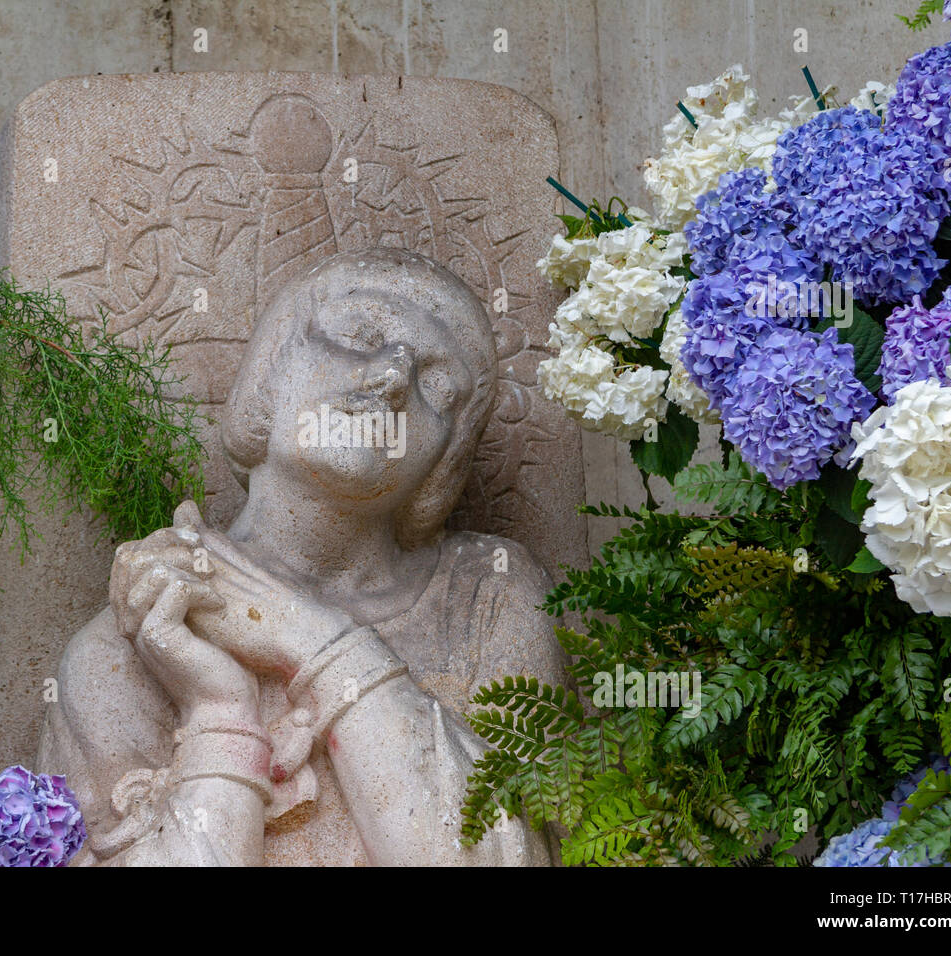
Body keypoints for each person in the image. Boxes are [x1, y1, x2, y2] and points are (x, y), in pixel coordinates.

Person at [38, 248, 563, 865]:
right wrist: (221, 713)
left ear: (443, 462)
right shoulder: (139, 639)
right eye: (359, 334)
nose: (393, 378)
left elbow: (504, 855)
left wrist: (314, 641)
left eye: (439, 386)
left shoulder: (490, 595)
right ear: (271, 370)